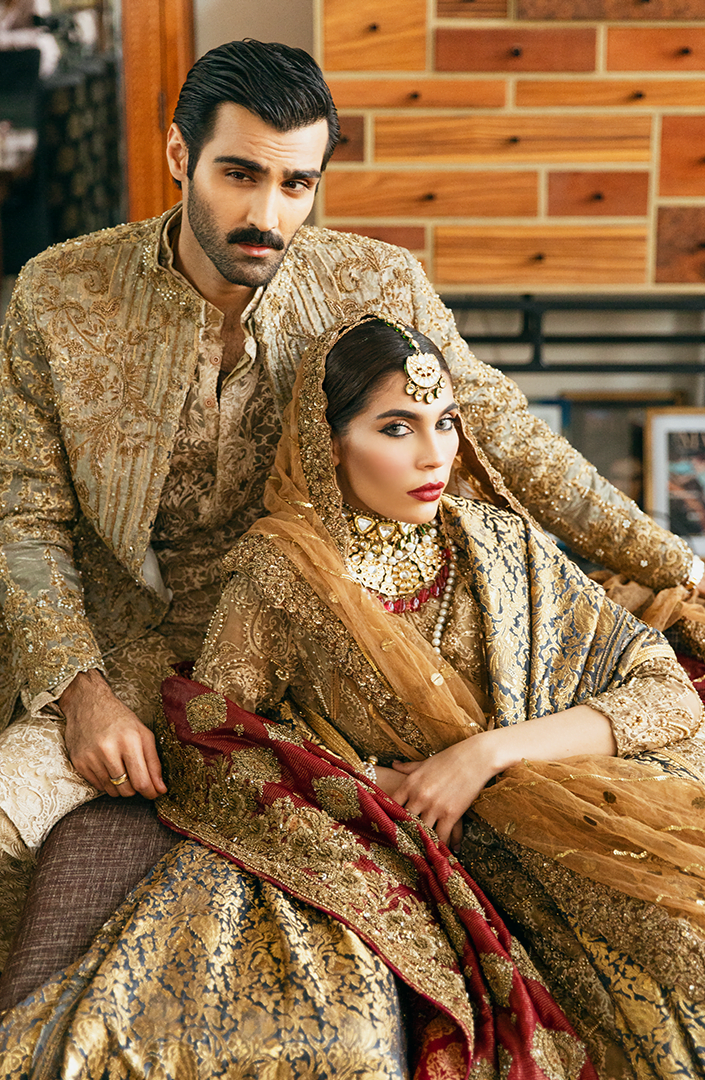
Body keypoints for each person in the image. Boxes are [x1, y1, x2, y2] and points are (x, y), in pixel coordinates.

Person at [0, 39, 704, 967]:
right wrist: (80, 692)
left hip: (324, 669)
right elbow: (27, 520)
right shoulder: (59, 295)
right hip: (126, 658)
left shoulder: (372, 282)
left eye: (297, 184)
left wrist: (682, 566)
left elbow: (515, 444)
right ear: (180, 157)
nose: (266, 213)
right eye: (238, 174)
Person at [1, 314, 704, 1077]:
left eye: (446, 423)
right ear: (326, 441)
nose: (434, 455)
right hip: (379, 841)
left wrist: (482, 755)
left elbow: (664, 690)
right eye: (397, 427)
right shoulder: (283, 574)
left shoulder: (503, 546)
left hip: (556, 809)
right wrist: (364, 789)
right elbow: (211, 736)